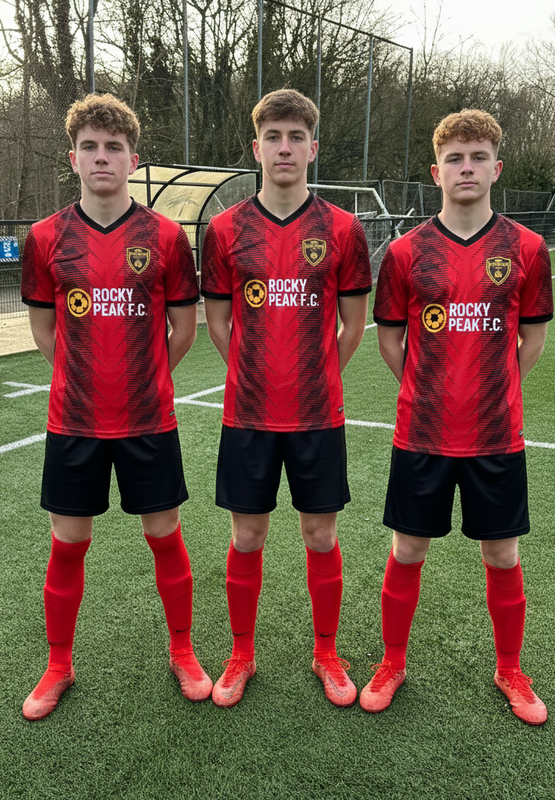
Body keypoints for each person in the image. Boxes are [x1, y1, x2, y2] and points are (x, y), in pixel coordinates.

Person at [20, 93, 211, 721]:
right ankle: (57, 665)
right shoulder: (46, 237)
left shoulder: (163, 238)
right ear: (73, 158)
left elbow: (182, 329)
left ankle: (182, 651)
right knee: (69, 542)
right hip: (73, 422)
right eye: (91, 147)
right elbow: (46, 332)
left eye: (115, 148)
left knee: (164, 536)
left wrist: (145, 376)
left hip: (147, 419)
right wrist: (79, 379)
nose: (103, 158)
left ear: (134, 158)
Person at [362, 109, 553, 724]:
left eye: (476, 157)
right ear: (436, 171)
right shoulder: (404, 252)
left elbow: (532, 338)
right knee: (408, 547)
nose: (465, 168)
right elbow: (390, 339)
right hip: (422, 431)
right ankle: (392, 663)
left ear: (496, 168)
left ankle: (510, 670)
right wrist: (427, 386)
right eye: (454, 158)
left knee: (502, 555)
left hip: (497, 434)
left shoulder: (526, 248)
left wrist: (497, 390)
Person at [200, 89, 372, 708]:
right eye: (273, 136)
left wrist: (318, 371)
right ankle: (241, 654)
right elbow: (218, 323)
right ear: (256, 148)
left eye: (296, 137)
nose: (284, 147)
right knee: (247, 536)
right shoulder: (224, 230)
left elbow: (354, 323)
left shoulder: (343, 230)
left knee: (320, 535)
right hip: (247, 414)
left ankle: (327, 653)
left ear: (313, 148)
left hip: (317, 414)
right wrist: (250, 372)